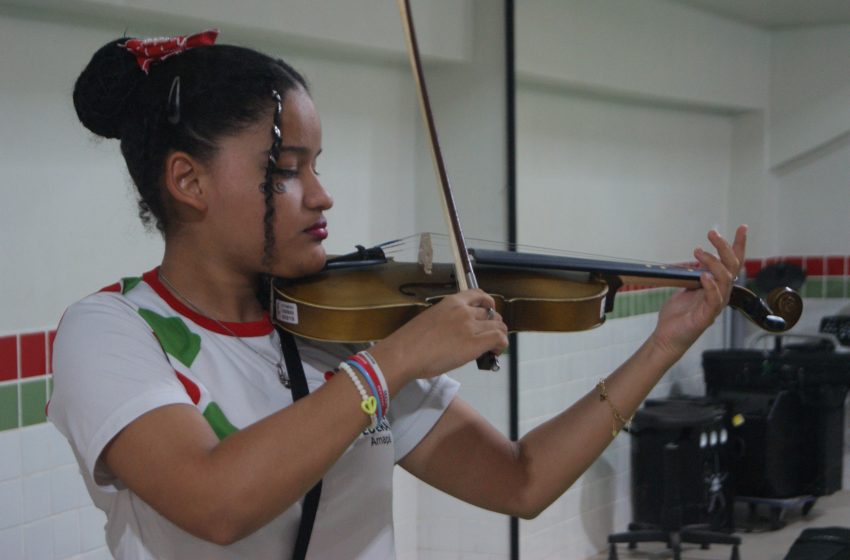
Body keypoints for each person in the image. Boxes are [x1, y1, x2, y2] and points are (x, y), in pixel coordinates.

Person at [48, 28, 747, 560]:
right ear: (188, 182)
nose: (321, 195)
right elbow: (217, 502)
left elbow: (521, 481)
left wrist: (663, 345)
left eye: (316, 165)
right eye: (285, 170)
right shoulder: (111, 332)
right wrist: (394, 361)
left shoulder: (337, 325)